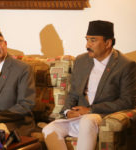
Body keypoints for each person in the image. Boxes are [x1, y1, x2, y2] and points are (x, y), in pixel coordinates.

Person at [42, 20, 136, 150]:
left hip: (102, 117)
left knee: (87, 121)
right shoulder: (81, 60)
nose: (87, 45)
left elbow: (127, 101)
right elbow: (73, 92)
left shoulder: (125, 65)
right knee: (49, 129)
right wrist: (68, 111)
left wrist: (91, 110)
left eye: (93, 40)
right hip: (80, 117)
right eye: (86, 40)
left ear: (108, 43)